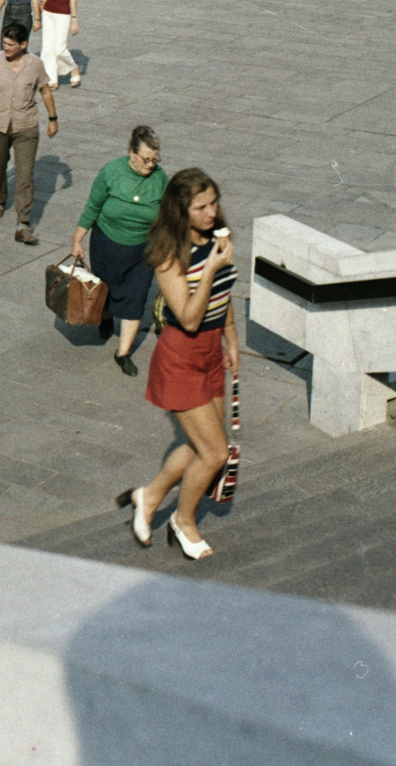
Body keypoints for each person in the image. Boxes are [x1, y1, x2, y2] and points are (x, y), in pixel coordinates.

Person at [116, 167, 238, 561]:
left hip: (211, 353)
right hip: (180, 357)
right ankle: (182, 523)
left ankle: (149, 496)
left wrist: (231, 339)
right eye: (200, 207)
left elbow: (225, 292)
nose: (210, 213)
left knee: (200, 443)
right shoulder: (169, 255)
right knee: (215, 453)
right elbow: (186, 316)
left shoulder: (219, 237)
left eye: (213, 203)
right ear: (180, 212)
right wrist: (212, 269)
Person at [71, 127, 168, 375]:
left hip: (143, 251)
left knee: (136, 298)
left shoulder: (160, 179)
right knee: (105, 289)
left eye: (154, 159)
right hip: (107, 243)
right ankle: (105, 318)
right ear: (131, 153)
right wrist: (78, 240)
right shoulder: (111, 171)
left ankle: (122, 353)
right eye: (145, 159)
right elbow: (92, 206)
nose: (150, 165)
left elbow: (168, 216)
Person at [0, 26, 57, 245]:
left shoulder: (35, 65)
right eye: (4, 43)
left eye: (10, 45)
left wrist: (53, 119)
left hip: (26, 127)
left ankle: (23, 223)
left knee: (25, 175)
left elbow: (45, 91)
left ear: (23, 45)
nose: (5, 48)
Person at [39, 0, 80, 89]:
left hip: (63, 14)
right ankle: (51, 79)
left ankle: (73, 68)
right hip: (48, 13)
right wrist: (40, 6)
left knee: (59, 49)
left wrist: (74, 20)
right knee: (47, 48)